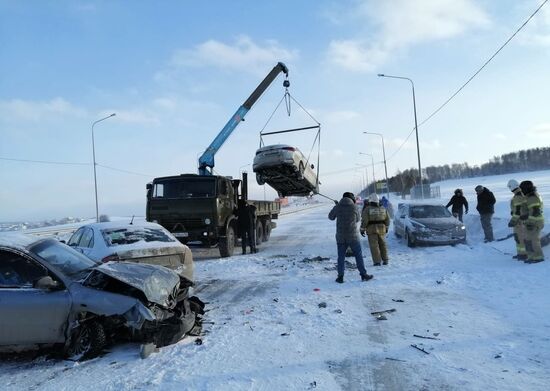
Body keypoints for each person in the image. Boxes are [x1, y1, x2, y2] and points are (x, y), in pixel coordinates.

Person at [328, 192, 373, 283]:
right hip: (353, 237)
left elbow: (331, 217)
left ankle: (340, 277)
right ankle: (363, 275)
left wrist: (337, 207)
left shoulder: (338, 207)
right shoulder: (354, 207)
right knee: (358, 255)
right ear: (352, 199)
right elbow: (357, 220)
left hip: (341, 237)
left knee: (341, 257)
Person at [360, 193, 390, 266]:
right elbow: (387, 219)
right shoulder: (383, 208)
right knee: (383, 244)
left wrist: (362, 229)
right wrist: (386, 227)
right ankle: (385, 259)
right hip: (382, 229)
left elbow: (365, 220)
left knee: (374, 246)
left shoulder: (367, 209)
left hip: (372, 229)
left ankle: (377, 261)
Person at [519, 180, 545, 263]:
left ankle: (538, 257)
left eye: (522, 189)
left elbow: (535, 211)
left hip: (535, 222)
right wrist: (523, 216)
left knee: (534, 240)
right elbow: (529, 210)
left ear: (526, 188)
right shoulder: (528, 196)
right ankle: (531, 256)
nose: (521, 191)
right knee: (528, 239)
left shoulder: (532, 197)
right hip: (530, 221)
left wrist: (530, 222)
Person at [507, 179, 527, 261]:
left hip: (519, 221)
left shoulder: (518, 196)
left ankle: (523, 254)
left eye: (509, 187)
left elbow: (518, 211)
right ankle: (520, 253)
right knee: (518, 237)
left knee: (520, 237)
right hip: (519, 220)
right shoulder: (519, 194)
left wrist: (513, 220)